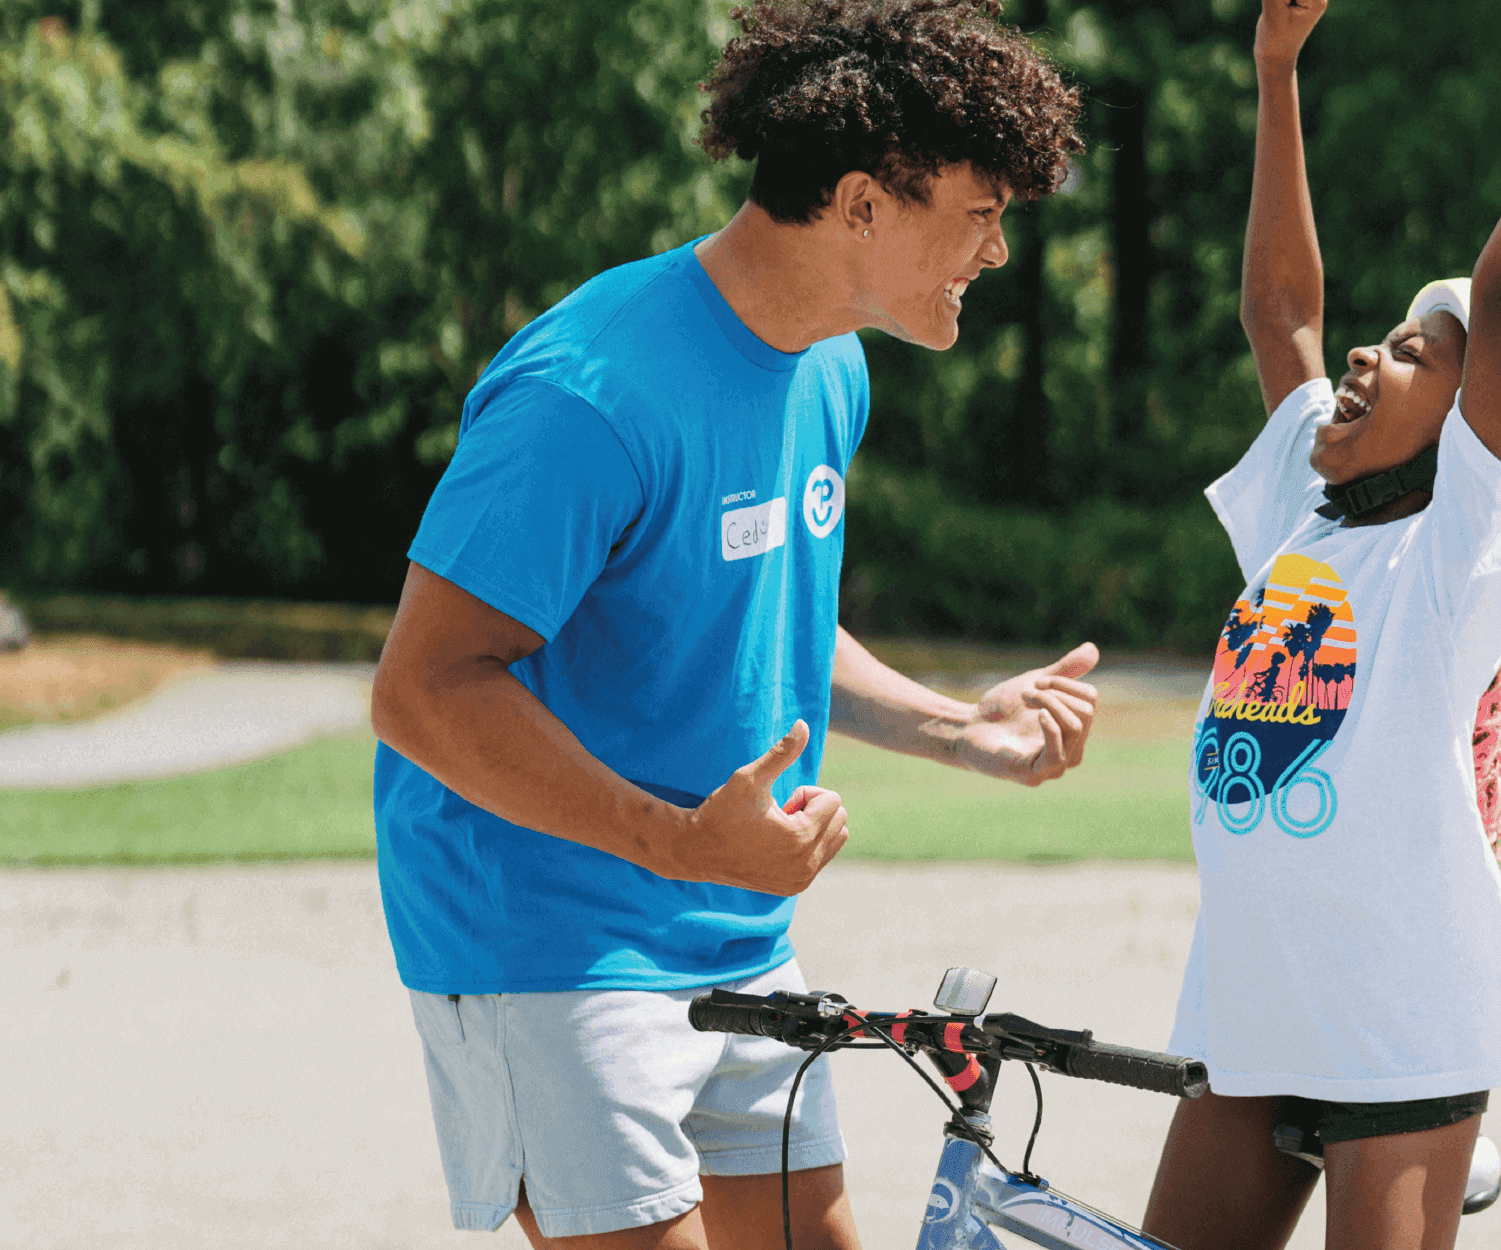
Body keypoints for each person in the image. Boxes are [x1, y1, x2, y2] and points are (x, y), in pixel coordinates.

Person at [366, 3, 1091, 1246]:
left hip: (732, 930)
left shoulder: (830, 367)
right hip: (551, 944)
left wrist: (956, 725)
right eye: (981, 213)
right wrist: (676, 840)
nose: (1000, 252)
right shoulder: (589, 393)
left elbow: (762, 625)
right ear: (863, 202)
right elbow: (424, 688)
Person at [1140, 0, 1501, 1247]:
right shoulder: (1296, 515)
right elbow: (1278, 313)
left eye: (1415, 353)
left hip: (1399, 1021)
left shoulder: (1454, 557)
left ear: (1485, 412)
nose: (1365, 355)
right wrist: (1272, 68)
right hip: (1253, 1003)